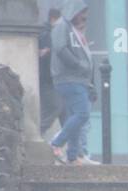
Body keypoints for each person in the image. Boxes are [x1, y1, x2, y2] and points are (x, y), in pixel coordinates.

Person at [48, 1, 99, 166]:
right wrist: (78, 64)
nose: (84, 17)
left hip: (79, 80)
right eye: (81, 12)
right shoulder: (62, 27)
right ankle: (57, 141)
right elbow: (61, 49)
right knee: (82, 114)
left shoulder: (74, 30)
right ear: (73, 11)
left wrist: (89, 83)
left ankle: (73, 156)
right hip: (69, 79)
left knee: (75, 116)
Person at [37, 7, 62, 137]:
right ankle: (38, 133)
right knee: (54, 107)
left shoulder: (49, 33)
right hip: (47, 79)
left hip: (51, 79)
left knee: (62, 109)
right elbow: (44, 55)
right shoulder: (46, 34)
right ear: (53, 18)